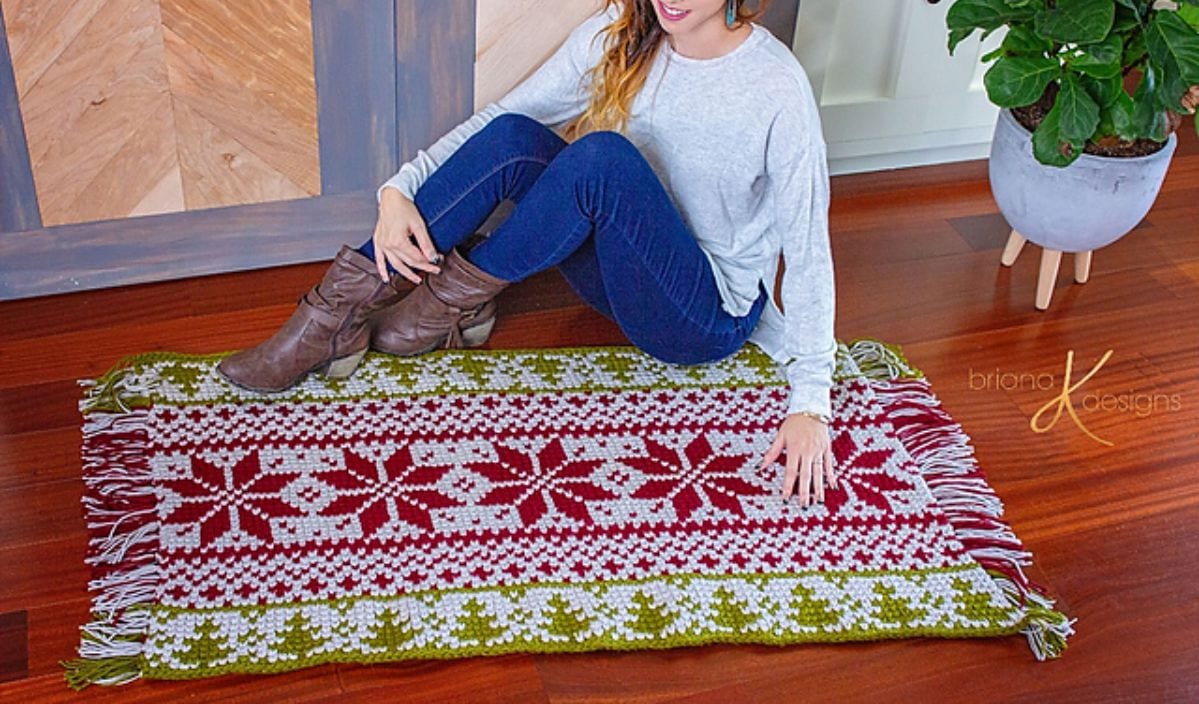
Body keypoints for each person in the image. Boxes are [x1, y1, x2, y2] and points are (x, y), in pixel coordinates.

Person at [217, 0, 838, 508]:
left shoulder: (774, 86)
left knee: (601, 160)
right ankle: (333, 317)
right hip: (622, 270)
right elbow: (504, 119)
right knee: (517, 138)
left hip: (698, 316)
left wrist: (811, 403)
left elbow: (808, 244)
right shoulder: (622, 33)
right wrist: (398, 188)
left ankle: (440, 306)